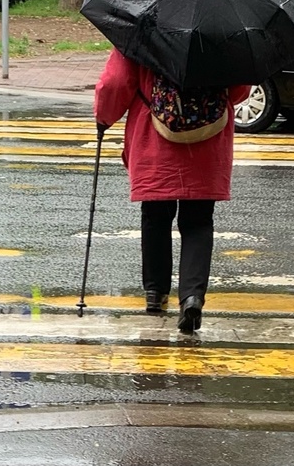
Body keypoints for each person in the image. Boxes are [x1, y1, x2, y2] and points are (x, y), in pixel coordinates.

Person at [94, 49, 250, 334]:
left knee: (155, 217)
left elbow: (115, 83)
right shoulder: (221, 34)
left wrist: (103, 119)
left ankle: (156, 293)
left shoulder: (139, 32)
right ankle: (191, 297)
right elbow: (239, 89)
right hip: (207, 140)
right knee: (198, 222)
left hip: (153, 138)